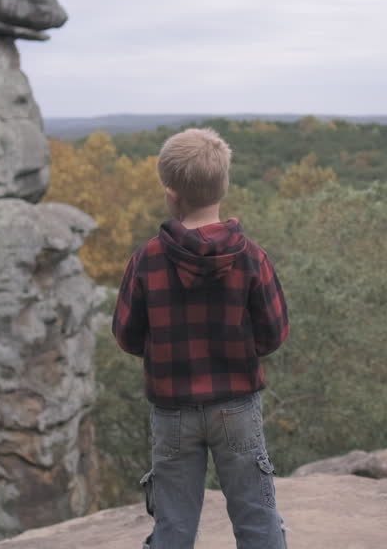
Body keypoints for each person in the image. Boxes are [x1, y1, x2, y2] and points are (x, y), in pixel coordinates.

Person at [112, 127, 290, 549]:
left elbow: (127, 335)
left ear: (171, 194)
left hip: (172, 410)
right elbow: (274, 332)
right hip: (237, 407)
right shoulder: (251, 257)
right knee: (256, 518)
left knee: (174, 526)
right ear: (222, 186)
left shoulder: (147, 259)